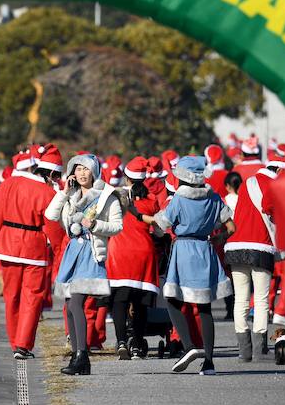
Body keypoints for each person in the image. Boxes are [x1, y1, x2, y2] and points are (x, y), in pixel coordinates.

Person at [144, 156, 235, 376]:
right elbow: (231, 227)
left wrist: (139, 215)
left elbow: (161, 223)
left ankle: (189, 347)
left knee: (173, 300)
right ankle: (209, 363)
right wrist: (217, 238)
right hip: (205, 249)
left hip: (183, 250)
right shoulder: (214, 197)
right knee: (205, 307)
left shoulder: (178, 199)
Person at [46, 153, 123, 376]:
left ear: (94, 171)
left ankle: (82, 354)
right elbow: (51, 215)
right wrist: (64, 192)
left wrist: (96, 224)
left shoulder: (108, 196)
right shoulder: (71, 195)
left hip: (91, 251)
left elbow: (117, 226)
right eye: (77, 169)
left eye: (85, 169)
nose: (81, 173)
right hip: (73, 252)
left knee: (77, 302)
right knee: (70, 305)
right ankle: (77, 354)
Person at [0, 145, 66, 360]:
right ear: (51, 173)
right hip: (34, 249)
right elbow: (52, 228)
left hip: (7, 245)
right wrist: (60, 252)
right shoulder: (48, 193)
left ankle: (14, 341)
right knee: (32, 297)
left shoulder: (9, 184)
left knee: (11, 296)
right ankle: (22, 345)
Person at [223, 151, 285, 361]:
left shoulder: (247, 183)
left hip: (235, 246)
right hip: (260, 246)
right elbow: (271, 210)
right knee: (260, 299)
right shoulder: (274, 186)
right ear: (279, 170)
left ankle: (244, 350)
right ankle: (260, 350)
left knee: (240, 299)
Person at [106, 157, 159, 360]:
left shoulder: (114, 196)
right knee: (139, 303)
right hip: (144, 254)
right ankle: (137, 344)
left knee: (119, 301)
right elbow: (160, 231)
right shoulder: (151, 199)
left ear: (126, 177)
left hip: (119, 253)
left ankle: (121, 342)